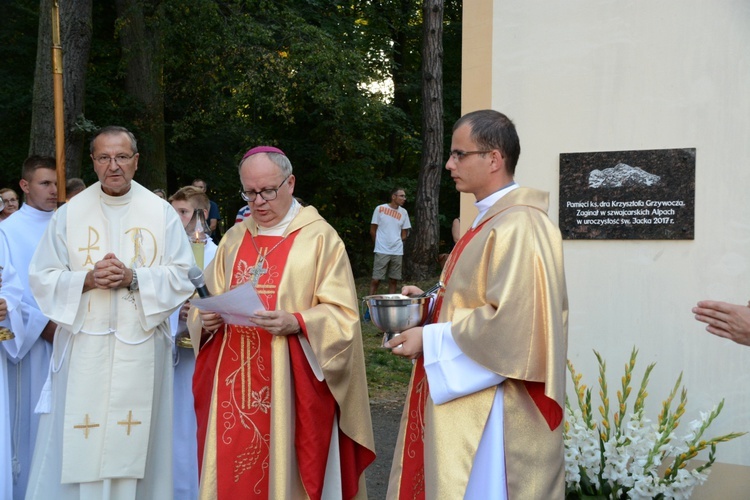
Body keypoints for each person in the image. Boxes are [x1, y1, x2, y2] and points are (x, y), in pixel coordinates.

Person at [386, 110, 569, 498]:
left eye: (459, 154)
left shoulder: (521, 225)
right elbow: (476, 297)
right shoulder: (490, 219)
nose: (450, 164)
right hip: (472, 396)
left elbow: (516, 324)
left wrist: (431, 340)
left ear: (494, 159)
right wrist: (430, 303)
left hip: (496, 411)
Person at [188, 146, 375, 498]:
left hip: (291, 384)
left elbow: (344, 316)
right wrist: (206, 317)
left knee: (285, 471)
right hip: (234, 387)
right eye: (250, 192)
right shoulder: (234, 237)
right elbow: (205, 300)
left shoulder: (320, 237)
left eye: (268, 191)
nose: (258, 202)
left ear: (290, 183)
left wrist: (298, 321)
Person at [25, 126, 195, 499]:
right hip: (85, 347)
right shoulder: (70, 214)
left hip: (141, 346)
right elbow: (41, 277)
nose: (113, 166)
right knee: (81, 436)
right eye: (104, 157)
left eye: (121, 157)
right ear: (93, 162)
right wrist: (85, 279)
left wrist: (133, 277)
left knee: (137, 441)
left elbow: (184, 275)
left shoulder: (160, 212)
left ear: (136, 161)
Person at [0, 156, 59, 500]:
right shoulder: (8, 231)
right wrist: (42, 325)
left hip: (70, 339)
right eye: (45, 183)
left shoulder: (70, 226)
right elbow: (9, 290)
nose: (54, 191)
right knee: (28, 429)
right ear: (24, 186)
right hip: (29, 343)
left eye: (56, 183)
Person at [167, 185, 218, 500]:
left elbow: (227, 300)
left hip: (205, 360)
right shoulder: (165, 253)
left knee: (198, 430)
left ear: (201, 215)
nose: (176, 219)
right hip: (172, 358)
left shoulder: (219, 254)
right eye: (172, 213)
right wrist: (177, 316)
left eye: (183, 212)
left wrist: (200, 313)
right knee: (172, 432)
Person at [368, 188, 411, 297]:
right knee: (376, 279)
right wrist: (377, 243)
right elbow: (373, 230)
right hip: (382, 249)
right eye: (401, 196)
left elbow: (404, 233)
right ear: (393, 196)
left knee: (394, 279)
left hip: (397, 251)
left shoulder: (404, 212)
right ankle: (370, 303)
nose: (404, 198)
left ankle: (390, 302)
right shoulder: (380, 209)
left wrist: (398, 241)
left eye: (404, 196)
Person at [192, 179, 221, 243]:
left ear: (205, 190)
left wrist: (202, 236)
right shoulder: (187, 204)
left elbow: (213, 225)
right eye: (195, 187)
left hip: (208, 239)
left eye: (200, 187)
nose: (198, 189)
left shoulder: (212, 205)